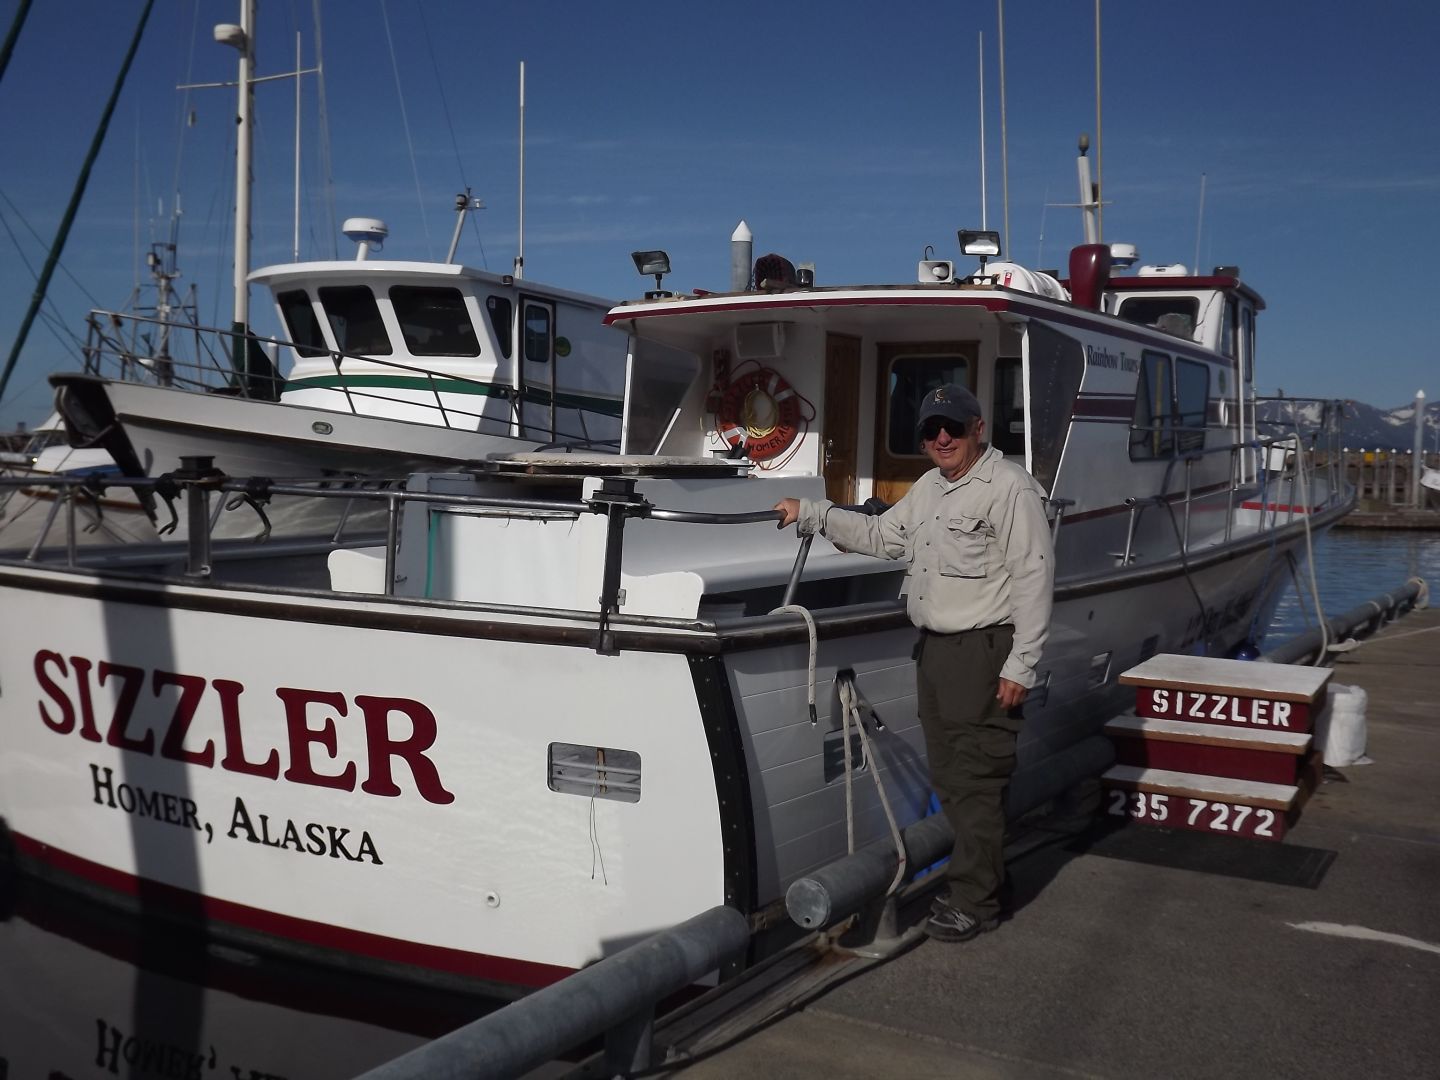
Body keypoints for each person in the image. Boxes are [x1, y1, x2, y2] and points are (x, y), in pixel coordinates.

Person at [773, 384, 1054, 943]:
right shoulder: (930, 487)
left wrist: (1020, 665)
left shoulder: (1010, 487)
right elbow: (884, 536)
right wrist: (814, 514)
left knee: (976, 779)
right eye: (931, 430)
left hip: (983, 653)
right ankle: (987, 882)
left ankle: (976, 901)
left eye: (953, 427)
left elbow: (1034, 576)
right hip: (936, 652)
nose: (942, 438)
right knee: (951, 778)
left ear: (978, 428)